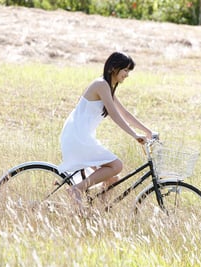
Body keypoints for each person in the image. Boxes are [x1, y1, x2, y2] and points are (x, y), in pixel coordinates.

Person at [58, 52, 153, 205]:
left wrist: (148, 131)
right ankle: (76, 189)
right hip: (78, 137)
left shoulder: (108, 87)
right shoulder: (101, 85)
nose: (127, 75)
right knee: (117, 166)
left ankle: (97, 211)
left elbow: (125, 113)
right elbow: (116, 115)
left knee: (112, 178)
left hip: (83, 136)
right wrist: (135, 135)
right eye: (126, 70)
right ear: (113, 68)